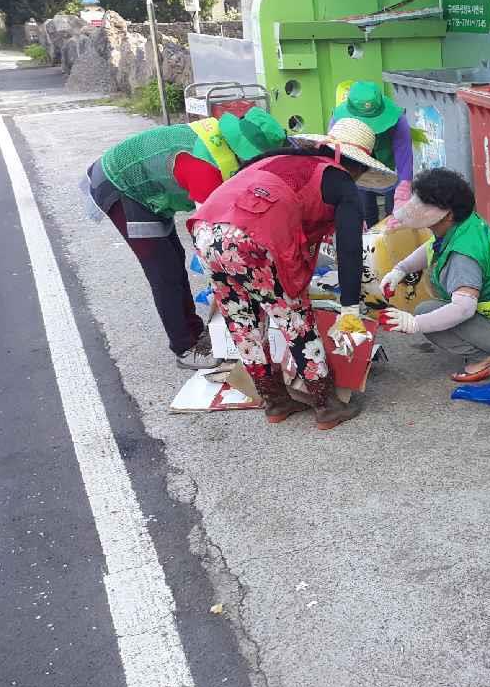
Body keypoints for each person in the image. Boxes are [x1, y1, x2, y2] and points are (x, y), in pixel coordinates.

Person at [187, 118, 397, 429]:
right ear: (358, 166)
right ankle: (326, 406)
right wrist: (350, 306)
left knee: (243, 321)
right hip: (254, 240)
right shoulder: (339, 180)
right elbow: (349, 249)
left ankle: (275, 401)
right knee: (293, 317)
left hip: (206, 232)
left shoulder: (276, 158)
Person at [79, 107, 288, 369]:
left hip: (151, 183)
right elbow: (210, 241)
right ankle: (184, 346)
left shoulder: (222, 140)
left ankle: (193, 329)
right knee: (164, 269)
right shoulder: (205, 168)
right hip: (123, 185)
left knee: (174, 258)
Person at [376, 169, 490, 383]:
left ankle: (484, 359)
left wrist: (415, 324)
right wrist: (401, 269)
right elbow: (433, 248)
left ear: (448, 214)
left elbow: (463, 309)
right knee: (433, 311)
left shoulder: (463, 257)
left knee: (426, 312)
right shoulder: (467, 224)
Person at [332, 81, 413, 227]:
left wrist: (403, 192)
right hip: (356, 167)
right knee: (363, 208)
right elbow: (336, 161)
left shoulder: (399, 120)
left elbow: (404, 157)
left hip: (388, 166)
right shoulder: (338, 122)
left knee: (393, 211)